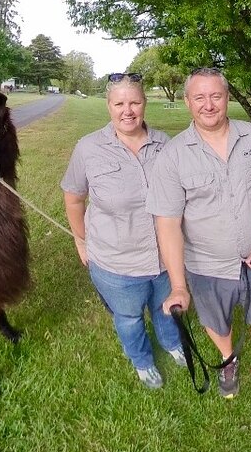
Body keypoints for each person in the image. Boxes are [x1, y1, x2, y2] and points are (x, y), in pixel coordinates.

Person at [146, 67, 251, 406]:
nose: (208, 104)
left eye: (216, 96)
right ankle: (229, 361)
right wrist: (179, 285)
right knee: (216, 321)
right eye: (199, 97)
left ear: (227, 98)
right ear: (187, 102)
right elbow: (167, 223)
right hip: (206, 264)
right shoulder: (173, 156)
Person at [61, 72, 186, 389]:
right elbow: (74, 198)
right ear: (108, 106)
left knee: (166, 307)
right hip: (116, 262)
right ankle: (142, 361)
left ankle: (171, 343)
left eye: (135, 102)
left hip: (164, 257)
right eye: (119, 103)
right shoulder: (88, 148)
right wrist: (81, 242)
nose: (127, 110)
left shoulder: (166, 145)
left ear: (145, 104)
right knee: (129, 319)